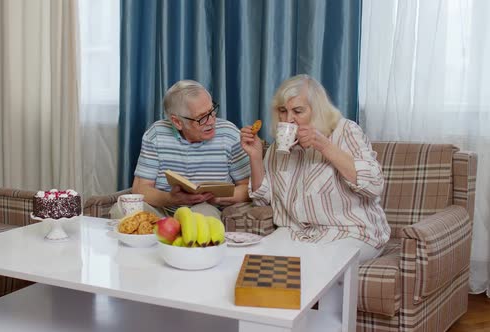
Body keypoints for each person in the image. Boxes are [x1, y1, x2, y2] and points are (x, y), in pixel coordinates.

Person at [240, 74, 390, 311]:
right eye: (282, 111)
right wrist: (256, 158)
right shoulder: (281, 145)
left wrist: (324, 146)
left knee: (315, 266)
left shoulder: (345, 131)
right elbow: (261, 199)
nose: (288, 119)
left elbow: (374, 184)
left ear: (317, 109)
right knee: (257, 261)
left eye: (298, 111)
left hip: (352, 231)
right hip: (298, 233)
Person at [111, 80, 251, 220]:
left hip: (205, 208)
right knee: (120, 209)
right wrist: (170, 198)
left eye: (212, 111)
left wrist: (218, 198)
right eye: (202, 117)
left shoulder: (229, 133)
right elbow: (140, 189)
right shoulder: (156, 134)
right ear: (177, 122)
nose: (211, 121)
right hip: (163, 211)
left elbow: (247, 188)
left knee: (202, 215)